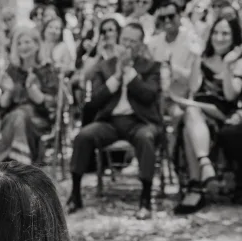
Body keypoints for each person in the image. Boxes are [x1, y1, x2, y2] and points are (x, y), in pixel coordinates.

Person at [67, 22, 161, 220]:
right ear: (118, 41)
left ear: (141, 44)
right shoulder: (104, 66)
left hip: (140, 122)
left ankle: (145, 198)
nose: (127, 45)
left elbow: (148, 95)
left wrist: (130, 73)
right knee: (83, 136)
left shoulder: (151, 66)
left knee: (146, 138)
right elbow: (95, 101)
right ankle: (75, 194)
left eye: (133, 42)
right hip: (110, 122)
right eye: (125, 40)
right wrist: (117, 77)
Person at [176, 17, 242, 213]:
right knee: (190, 114)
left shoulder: (238, 62)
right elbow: (195, 89)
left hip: (225, 115)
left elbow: (231, 95)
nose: (219, 38)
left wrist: (228, 66)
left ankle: (196, 187)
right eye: (216, 32)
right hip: (199, 112)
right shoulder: (202, 59)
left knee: (190, 115)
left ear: (234, 37)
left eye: (225, 34)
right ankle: (204, 165)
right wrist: (198, 60)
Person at [0, 27, 59, 165]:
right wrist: (9, 91)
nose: (22, 47)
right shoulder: (12, 70)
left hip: (39, 120)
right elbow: (3, 105)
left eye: (27, 42)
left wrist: (33, 91)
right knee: (17, 116)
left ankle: (9, 164)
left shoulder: (47, 70)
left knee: (19, 115)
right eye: (19, 43)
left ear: (37, 45)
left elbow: (52, 104)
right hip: (12, 119)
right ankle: (21, 164)